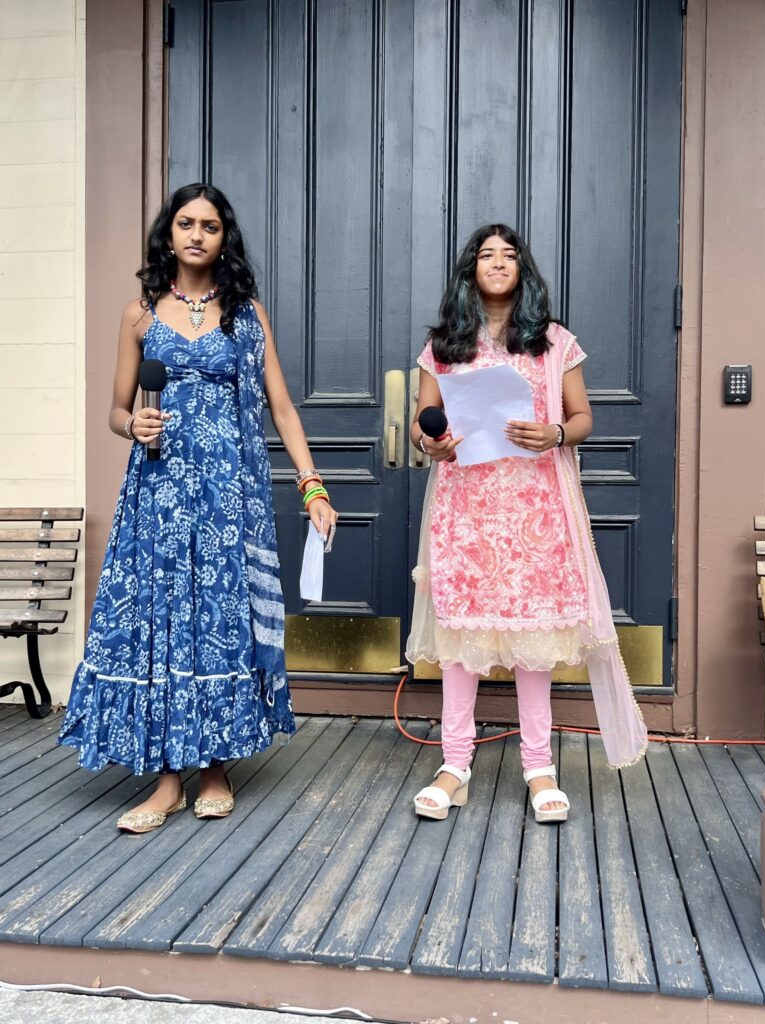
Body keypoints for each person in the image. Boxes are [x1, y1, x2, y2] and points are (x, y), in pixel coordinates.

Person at [59, 183, 338, 832]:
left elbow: (283, 408)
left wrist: (311, 485)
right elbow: (115, 408)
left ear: (223, 239)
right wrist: (134, 428)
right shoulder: (139, 315)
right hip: (157, 495)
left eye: (209, 226)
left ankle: (214, 768)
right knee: (163, 622)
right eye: (185, 223)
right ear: (168, 233)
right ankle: (166, 780)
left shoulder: (247, 315)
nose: (195, 234)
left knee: (218, 621)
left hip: (225, 497)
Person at [406, 224, 647, 823]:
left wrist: (556, 433)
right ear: (469, 271)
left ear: (523, 270)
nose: (497, 262)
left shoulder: (554, 341)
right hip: (465, 506)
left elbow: (583, 416)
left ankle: (539, 766)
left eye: (508, 255)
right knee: (461, 640)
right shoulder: (444, 345)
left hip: (535, 507)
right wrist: (431, 441)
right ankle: (453, 763)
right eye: (485, 255)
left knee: (532, 643)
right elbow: (421, 421)